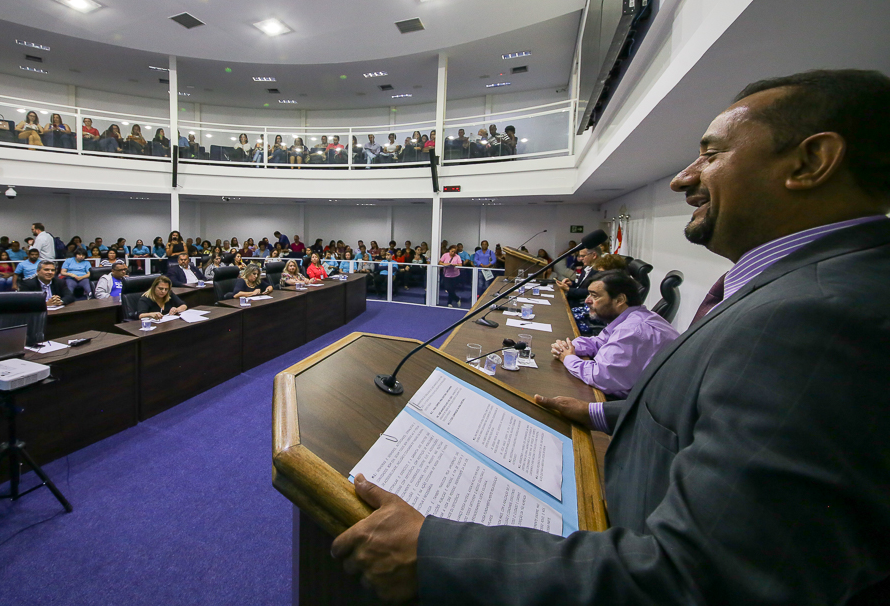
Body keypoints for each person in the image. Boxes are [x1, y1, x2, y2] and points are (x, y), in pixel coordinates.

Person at [331, 69, 890, 605]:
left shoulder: (823, 316)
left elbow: (706, 579)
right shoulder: (801, 288)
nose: (683, 177)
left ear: (812, 162)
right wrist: (598, 415)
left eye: (713, 154)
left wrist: (439, 554)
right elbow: (712, 410)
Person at [549, 270, 680, 397]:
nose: (588, 300)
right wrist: (570, 347)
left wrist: (568, 358)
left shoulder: (633, 329)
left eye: (595, 296)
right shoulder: (631, 317)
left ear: (619, 300)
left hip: (637, 405)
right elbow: (600, 342)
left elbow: (600, 377)